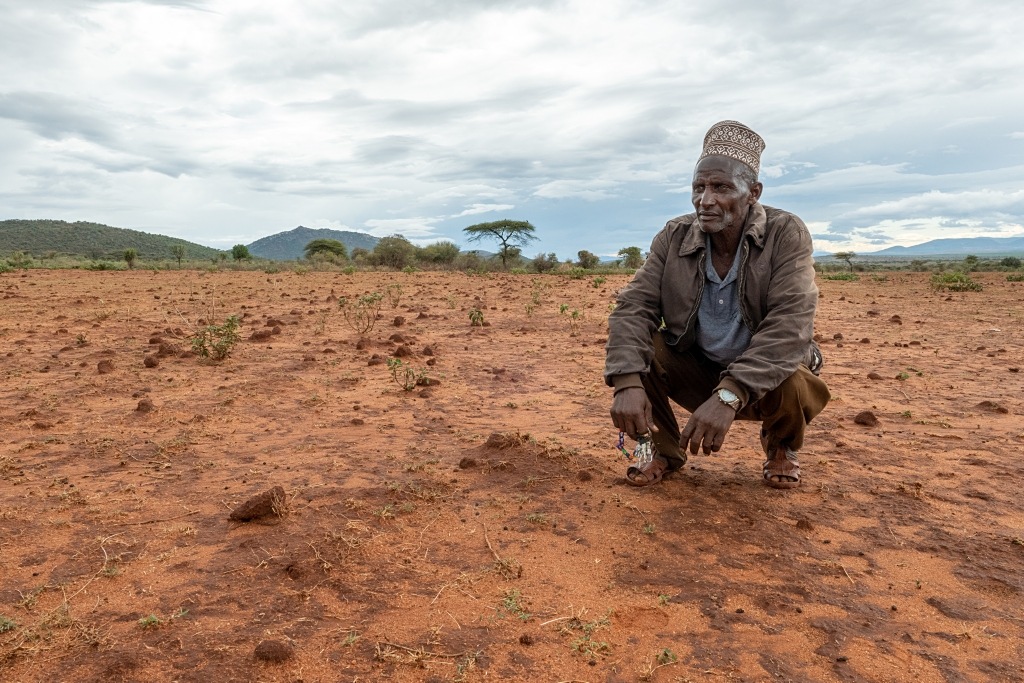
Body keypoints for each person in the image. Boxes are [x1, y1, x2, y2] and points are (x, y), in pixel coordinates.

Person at [605, 120, 830, 489]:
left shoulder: (786, 233)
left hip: (764, 380)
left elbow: (790, 326)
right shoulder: (674, 235)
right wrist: (626, 382)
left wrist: (729, 395)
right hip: (700, 365)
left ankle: (781, 448)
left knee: (789, 367)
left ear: (753, 192)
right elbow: (634, 307)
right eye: (699, 187)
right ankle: (661, 451)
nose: (705, 200)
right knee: (647, 351)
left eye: (721, 187)